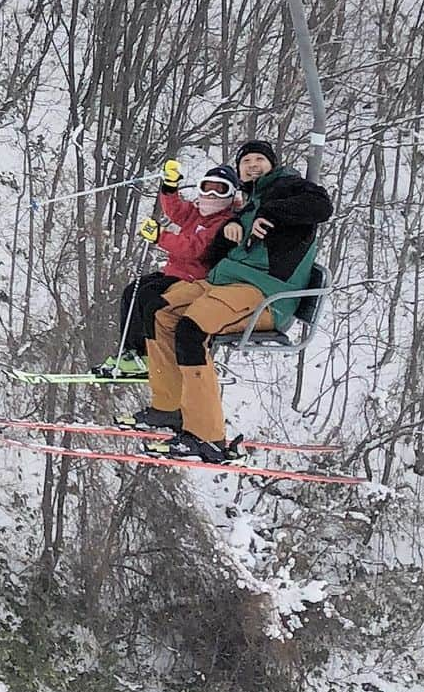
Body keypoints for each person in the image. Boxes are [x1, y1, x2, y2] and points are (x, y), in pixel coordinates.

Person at [127, 139, 333, 462]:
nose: (252, 165)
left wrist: (270, 213)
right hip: (224, 283)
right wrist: (231, 229)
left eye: (259, 160)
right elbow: (214, 251)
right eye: (246, 161)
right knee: (158, 310)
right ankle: (169, 406)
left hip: (264, 293)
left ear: (272, 164)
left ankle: (208, 437)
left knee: (191, 330)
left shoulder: (286, 187)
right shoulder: (249, 203)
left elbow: (321, 206)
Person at [91, 158, 242, 379]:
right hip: (173, 272)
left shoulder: (223, 223)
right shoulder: (197, 212)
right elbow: (176, 210)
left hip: (193, 279)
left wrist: (160, 237)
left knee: (148, 299)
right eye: (207, 188)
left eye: (220, 190)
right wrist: (170, 186)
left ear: (230, 195)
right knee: (132, 291)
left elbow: (194, 249)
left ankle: (146, 356)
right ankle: (131, 351)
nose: (212, 195)